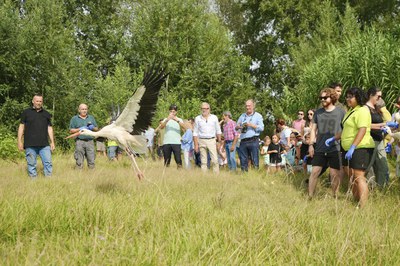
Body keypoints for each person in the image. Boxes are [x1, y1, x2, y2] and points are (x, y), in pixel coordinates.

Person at [308, 88, 346, 199]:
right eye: (321, 98)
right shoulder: (318, 113)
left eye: (325, 97)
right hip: (320, 148)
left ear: (332, 97)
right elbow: (313, 130)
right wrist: (311, 145)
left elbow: (346, 129)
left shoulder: (340, 112)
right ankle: (310, 196)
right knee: (315, 172)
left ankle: (335, 196)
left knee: (334, 174)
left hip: (335, 148)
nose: (322, 100)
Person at [341, 87, 375, 208]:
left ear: (358, 98)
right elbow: (346, 130)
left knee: (359, 176)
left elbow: (362, 129)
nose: (348, 99)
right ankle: (356, 201)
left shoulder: (362, 110)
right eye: (347, 96)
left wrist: (353, 147)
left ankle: (363, 206)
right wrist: (333, 138)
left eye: (351, 97)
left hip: (360, 147)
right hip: (347, 148)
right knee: (351, 175)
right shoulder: (351, 111)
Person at [17, 94, 55, 178]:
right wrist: (19, 141)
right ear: (33, 101)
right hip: (30, 144)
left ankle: (49, 180)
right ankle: (33, 181)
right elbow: (21, 127)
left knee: (48, 163)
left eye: (40, 101)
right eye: (37, 101)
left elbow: (49, 128)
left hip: (44, 144)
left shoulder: (46, 114)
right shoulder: (26, 112)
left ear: (42, 102)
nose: (38, 103)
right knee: (31, 164)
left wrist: (52, 142)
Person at [365, 87, 389, 186]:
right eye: (378, 96)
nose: (380, 99)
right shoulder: (365, 108)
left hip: (379, 140)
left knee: (383, 165)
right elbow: (365, 125)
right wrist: (382, 125)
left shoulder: (376, 108)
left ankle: (382, 188)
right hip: (370, 140)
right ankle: (367, 188)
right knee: (369, 166)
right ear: (371, 95)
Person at [236, 99, 264, 171]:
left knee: (254, 159)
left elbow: (262, 128)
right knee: (243, 160)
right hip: (243, 140)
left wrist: (252, 125)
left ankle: (255, 175)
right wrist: (239, 126)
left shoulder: (258, 116)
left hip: (253, 140)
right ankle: (244, 175)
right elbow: (236, 126)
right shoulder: (242, 116)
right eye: (246, 106)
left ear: (253, 106)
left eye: (249, 106)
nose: (247, 107)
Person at [193, 102, 222, 173]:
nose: (205, 110)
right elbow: (195, 133)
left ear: (209, 109)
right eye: (203, 108)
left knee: (215, 159)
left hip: (212, 140)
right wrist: (196, 145)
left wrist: (219, 142)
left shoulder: (214, 117)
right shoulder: (197, 118)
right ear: (201, 109)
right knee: (203, 161)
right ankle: (204, 176)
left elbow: (218, 131)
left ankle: (216, 175)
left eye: (206, 108)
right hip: (201, 140)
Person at [69, 103, 98, 169]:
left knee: (91, 160)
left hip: (90, 141)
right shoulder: (74, 118)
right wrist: (79, 129)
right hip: (79, 141)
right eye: (82, 109)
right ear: (79, 110)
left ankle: (92, 175)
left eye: (85, 109)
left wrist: (92, 127)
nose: (84, 111)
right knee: (79, 161)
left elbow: (96, 129)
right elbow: (71, 131)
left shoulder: (91, 117)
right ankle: (79, 176)